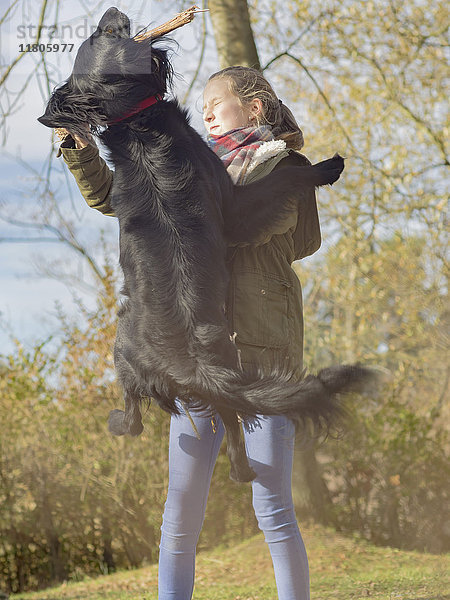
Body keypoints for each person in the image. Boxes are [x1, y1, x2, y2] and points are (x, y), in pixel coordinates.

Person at [57, 65, 322, 600]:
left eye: (216, 103)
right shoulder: (192, 167)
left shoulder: (285, 166)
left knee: (273, 509)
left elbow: (274, 228)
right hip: (196, 355)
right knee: (179, 516)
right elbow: (120, 198)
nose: (204, 113)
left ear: (255, 108)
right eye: (200, 106)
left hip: (260, 358)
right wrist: (82, 149)